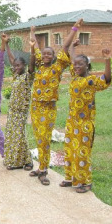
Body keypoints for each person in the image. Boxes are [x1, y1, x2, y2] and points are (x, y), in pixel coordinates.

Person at [29, 19, 83, 185]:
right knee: (39, 138)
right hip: (35, 107)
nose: (45, 56)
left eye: (49, 54)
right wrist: (32, 31)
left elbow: (65, 47)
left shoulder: (57, 67)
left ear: (53, 57)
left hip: (48, 108)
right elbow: (35, 46)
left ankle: (44, 171)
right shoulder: (39, 65)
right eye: (44, 54)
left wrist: (74, 28)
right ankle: (41, 166)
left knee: (45, 139)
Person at [60, 43, 111, 193]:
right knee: (70, 150)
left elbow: (106, 79)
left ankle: (86, 182)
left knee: (83, 152)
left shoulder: (91, 80)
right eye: (75, 65)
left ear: (87, 66)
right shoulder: (75, 77)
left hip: (85, 123)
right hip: (72, 122)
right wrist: (73, 49)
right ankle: (70, 178)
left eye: (80, 65)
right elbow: (73, 61)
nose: (76, 67)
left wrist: (107, 59)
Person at [3, 28, 36, 170]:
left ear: (25, 66)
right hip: (12, 110)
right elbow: (11, 59)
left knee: (20, 135)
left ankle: (28, 161)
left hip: (21, 112)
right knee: (11, 135)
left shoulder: (28, 77)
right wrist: (7, 44)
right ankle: (15, 161)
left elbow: (32, 64)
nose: (16, 67)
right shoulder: (16, 75)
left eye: (19, 65)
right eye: (15, 66)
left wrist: (33, 50)